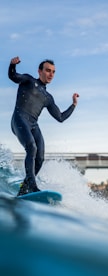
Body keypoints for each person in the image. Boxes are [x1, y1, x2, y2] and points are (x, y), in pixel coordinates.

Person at [8, 56, 79, 196]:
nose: (51, 74)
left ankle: (24, 188)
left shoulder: (48, 97)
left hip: (33, 124)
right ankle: (32, 186)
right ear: (39, 71)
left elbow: (60, 117)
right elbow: (13, 76)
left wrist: (74, 105)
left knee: (40, 157)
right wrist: (12, 65)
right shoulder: (28, 80)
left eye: (53, 72)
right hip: (19, 119)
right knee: (31, 147)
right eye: (48, 70)